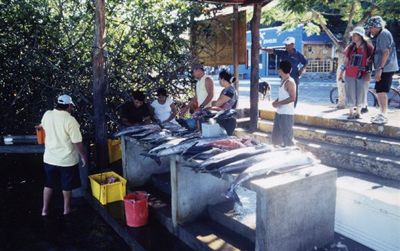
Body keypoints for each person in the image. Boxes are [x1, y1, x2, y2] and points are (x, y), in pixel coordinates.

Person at [39, 94, 88, 216]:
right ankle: (66, 209)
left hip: (49, 158)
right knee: (66, 186)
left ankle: (44, 210)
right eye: (71, 106)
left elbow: (40, 127)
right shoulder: (70, 120)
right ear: (69, 106)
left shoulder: (47, 114)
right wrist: (83, 156)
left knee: (48, 184)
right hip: (66, 160)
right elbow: (77, 142)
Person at [366, 16, 399, 124]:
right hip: (385, 67)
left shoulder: (384, 34)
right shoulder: (381, 34)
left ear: (376, 26)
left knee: (381, 91)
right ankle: (382, 113)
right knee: (378, 90)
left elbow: (386, 52)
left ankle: (383, 115)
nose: (370, 30)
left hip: (386, 67)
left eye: (371, 27)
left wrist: (380, 69)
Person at [338, 26, 374, 120]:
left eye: (355, 35)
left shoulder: (368, 48)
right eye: (353, 35)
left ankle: (358, 113)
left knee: (361, 92)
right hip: (350, 73)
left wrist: (369, 74)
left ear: (361, 36)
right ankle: (351, 112)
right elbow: (346, 61)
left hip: (363, 74)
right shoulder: (350, 48)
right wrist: (341, 73)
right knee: (350, 93)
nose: (353, 37)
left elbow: (371, 62)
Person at [264, 37, 308, 107]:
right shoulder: (283, 53)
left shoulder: (298, 55)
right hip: (284, 78)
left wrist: (302, 69)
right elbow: (271, 51)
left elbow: (306, 62)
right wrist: (261, 48)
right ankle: (283, 107)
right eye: (285, 45)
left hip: (294, 77)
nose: (286, 46)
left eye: (288, 45)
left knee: (293, 95)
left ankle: (293, 108)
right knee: (283, 93)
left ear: (293, 45)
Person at [271, 61, 296, 147]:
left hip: (287, 113)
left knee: (287, 138)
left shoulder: (290, 82)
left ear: (280, 70)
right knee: (276, 137)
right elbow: (283, 95)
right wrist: (276, 101)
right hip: (280, 112)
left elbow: (292, 98)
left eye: (279, 69)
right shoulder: (283, 80)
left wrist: (278, 103)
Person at [208, 70, 238, 135]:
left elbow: (218, 103)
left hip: (228, 120)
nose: (219, 81)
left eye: (219, 79)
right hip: (223, 118)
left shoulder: (230, 90)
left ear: (223, 79)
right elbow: (217, 104)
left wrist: (214, 103)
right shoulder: (225, 90)